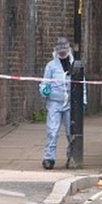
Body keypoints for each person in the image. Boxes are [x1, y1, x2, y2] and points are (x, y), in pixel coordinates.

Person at [39, 37, 84, 170]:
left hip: (71, 103)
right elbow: (44, 83)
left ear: (68, 49)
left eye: (64, 50)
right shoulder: (51, 66)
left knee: (71, 133)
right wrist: (45, 90)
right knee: (52, 131)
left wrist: (83, 101)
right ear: (56, 50)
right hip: (54, 103)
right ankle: (49, 158)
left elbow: (82, 84)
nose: (62, 53)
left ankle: (71, 157)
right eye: (60, 50)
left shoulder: (75, 64)